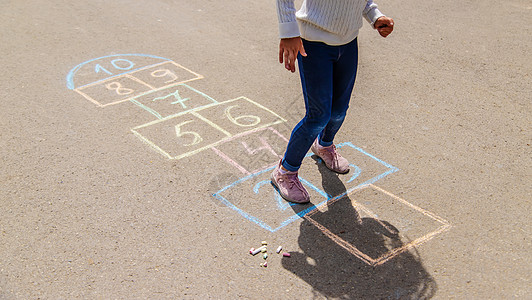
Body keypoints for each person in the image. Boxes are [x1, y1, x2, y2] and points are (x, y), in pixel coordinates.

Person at [271, 0, 394, 203]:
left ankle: (324, 145)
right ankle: (285, 171)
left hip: (348, 43)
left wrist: (375, 16)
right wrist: (288, 32)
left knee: (339, 111)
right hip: (313, 43)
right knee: (318, 116)